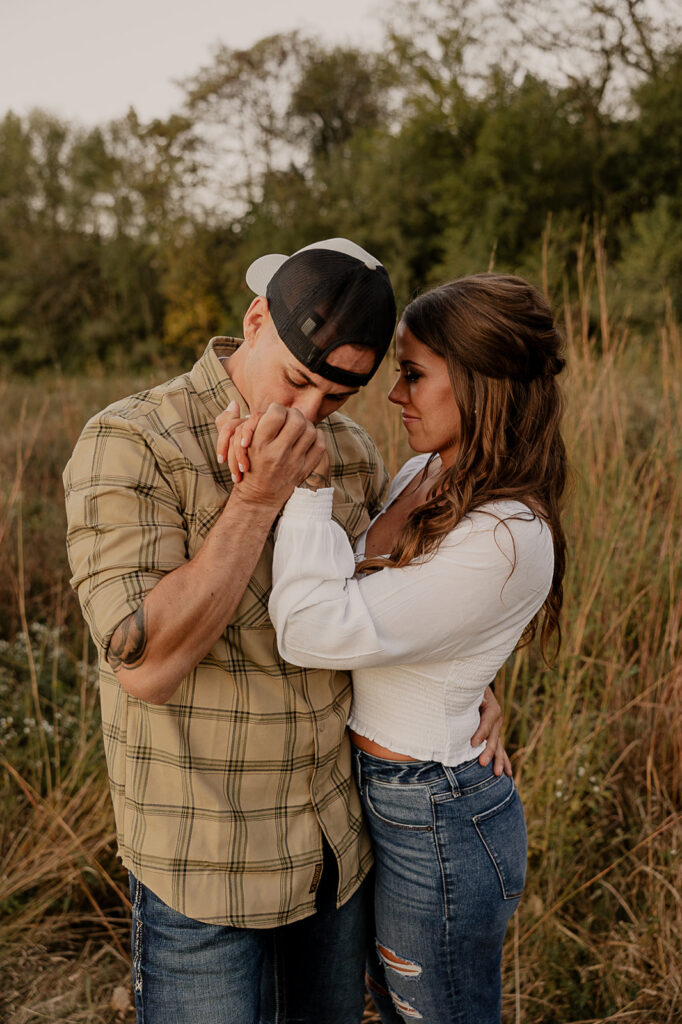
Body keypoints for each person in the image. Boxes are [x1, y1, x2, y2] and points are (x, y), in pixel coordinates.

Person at [63, 239, 507, 1024]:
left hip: (334, 859)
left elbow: (393, 613)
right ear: (257, 319)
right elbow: (148, 667)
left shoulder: (355, 455)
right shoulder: (133, 442)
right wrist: (259, 499)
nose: (308, 416)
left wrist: (475, 689)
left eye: (335, 398)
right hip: (203, 872)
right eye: (298, 381)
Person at [227, 272, 567, 1024]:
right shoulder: (424, 473)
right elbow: (381, 610)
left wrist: (310, 489)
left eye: (413, 374)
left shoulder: (510, 535)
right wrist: (466, 672)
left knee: (433, 1013)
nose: (394, 395)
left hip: (437, 811)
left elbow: (317, 627)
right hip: (375, 795)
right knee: (388, 1006)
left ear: (479, 386)